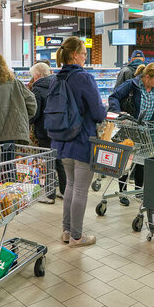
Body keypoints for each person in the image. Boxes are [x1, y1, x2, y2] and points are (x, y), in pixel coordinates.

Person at [48, 37, 106, 247]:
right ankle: (77, 237)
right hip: (82, 140)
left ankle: (66, 231)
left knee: (70, 186)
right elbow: (98, 113)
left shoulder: (56, 78)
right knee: (80, 189)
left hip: (60, 141)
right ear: (74, 55)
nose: (85, 56)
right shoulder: (84, 78)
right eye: (83, 53)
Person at [109, 63, 154, 205]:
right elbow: (114, 97)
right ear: (147, 77)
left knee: (142, 161)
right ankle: (122, 192)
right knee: (125, 161)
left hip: (147, 131)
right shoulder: (131, 85)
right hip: (129, 128)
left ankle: (138, 190)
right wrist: (119, 113)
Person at [29, 62, 66, 204]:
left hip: (44, 131)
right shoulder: (58, 85)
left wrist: (29, 121)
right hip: (59, 129)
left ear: (37, 75)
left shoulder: (37, 89)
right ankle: (63, 191)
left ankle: (50, 195)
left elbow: (35, 113)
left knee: (48, 162)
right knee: (59, 161)